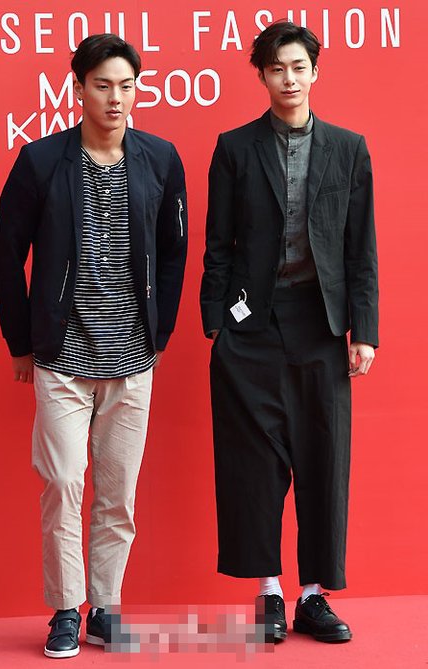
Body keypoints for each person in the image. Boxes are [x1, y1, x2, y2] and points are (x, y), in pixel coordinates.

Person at [0, 33, 187, 658]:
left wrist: (159, 333)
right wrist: (19, 342)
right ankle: (64, 609)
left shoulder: (160, 159)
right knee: (62, 483)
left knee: (118, 493)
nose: (116, 98)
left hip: (132, 358)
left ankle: (104, 607)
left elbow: (175, 250)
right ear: (79, 89)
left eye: (126, 85)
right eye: (102, 85)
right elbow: (6, 253)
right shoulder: (41, 161)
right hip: (63, 356)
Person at [200, 20, 378, 643]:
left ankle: (313, 595)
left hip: (321, 323)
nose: (289, 79)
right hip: (251, 322)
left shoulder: (349, 149)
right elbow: (217, 244)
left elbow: (361, 249)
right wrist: (217, 323)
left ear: (315, 72)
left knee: (323, 456)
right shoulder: (235, 147)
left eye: (299, 67)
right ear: (262, 76)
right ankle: (270, 592)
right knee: (253, 464)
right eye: (277, 68)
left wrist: (364, 331)